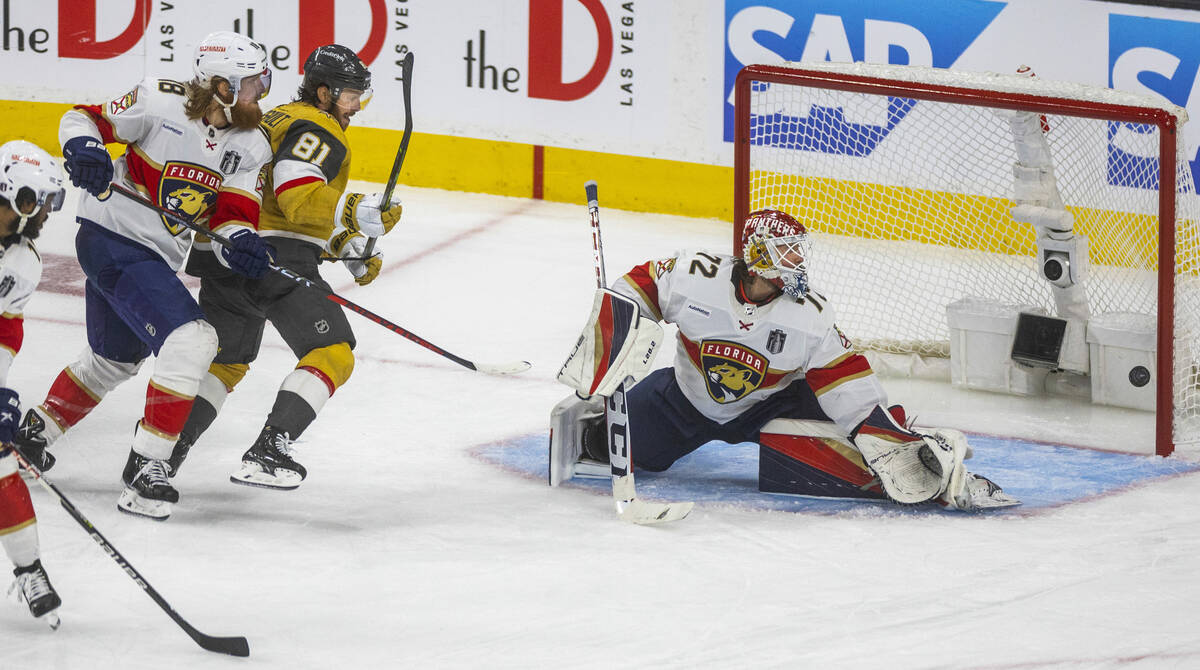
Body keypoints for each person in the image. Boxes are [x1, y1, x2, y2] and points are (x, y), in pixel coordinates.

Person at [550, 209, 1018, 511]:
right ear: (756, 257)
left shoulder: (809, 314)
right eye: (785, 253)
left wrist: (886, 437)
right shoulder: (695, 274)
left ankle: (935, 469)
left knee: (855, 468)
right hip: (685, 401)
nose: (797, 262)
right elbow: (635, 290)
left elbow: (848, 383)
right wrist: (612, 342)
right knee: (618, 448)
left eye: (798, 252)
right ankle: (600, 418)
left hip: (773, 407)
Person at [11, 31, 275, 521]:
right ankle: (146, 468)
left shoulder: (251, 143)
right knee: (193, 340)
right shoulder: (160, 100)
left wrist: (241, 242)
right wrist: (87, 149)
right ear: (221, 85)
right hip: (110, 236)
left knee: (114, 359)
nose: (262, 91)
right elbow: (83, 118)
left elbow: (233, 214)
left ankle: (32, 435)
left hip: (155, 255)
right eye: (253, 82)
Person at [165, 44, 402, 490]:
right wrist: (353, 210)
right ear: (326, 92)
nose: (356, 107)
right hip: (273, 258)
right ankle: (270, 448)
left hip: (227, 250)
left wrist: (344, 245)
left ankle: (163, 452)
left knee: (227, 363)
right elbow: (297, 196)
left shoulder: (277, 117)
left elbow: (278, 203)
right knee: (333, 352)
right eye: (352, 96)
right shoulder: (319, 125)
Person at [0, 140, 66, 623]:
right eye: (36, 201)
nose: (44, 214)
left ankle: (29, 570)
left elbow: (4, 333)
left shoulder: (23, 262)